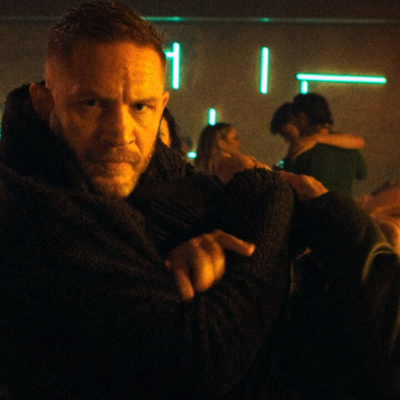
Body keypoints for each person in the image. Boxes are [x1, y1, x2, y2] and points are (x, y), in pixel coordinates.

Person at [0, 2, 399, 399]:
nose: (120, 132)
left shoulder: (157, 174)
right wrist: (272, 193)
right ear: (44, 102)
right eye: (91, 103)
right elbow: (202, 360)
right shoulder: (29, 209)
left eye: (140, 107)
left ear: (162, 106)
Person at [270, 95, 367, 195]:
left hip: (313, 204)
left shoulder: (302, 149)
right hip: (344, 204)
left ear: (302, 118)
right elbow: (361, 173)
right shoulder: (349, 146)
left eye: (296, 119)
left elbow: (285, 180)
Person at [195, 122, 269, 178]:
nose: (239, 142)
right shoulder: (237, 169)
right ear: (220, 143)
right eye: (235, 138)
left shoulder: (197, 177)